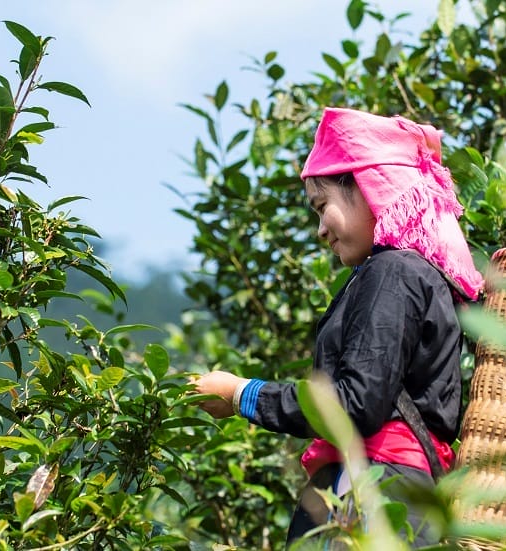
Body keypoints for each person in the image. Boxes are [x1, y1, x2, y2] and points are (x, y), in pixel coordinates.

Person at [192, 107, 484, 548]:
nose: (320, 230)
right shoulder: (414, 276)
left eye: (322, 206)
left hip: (375, 494)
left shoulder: (392, 272)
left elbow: (355, 404)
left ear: (367, 188)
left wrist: (241, 395)